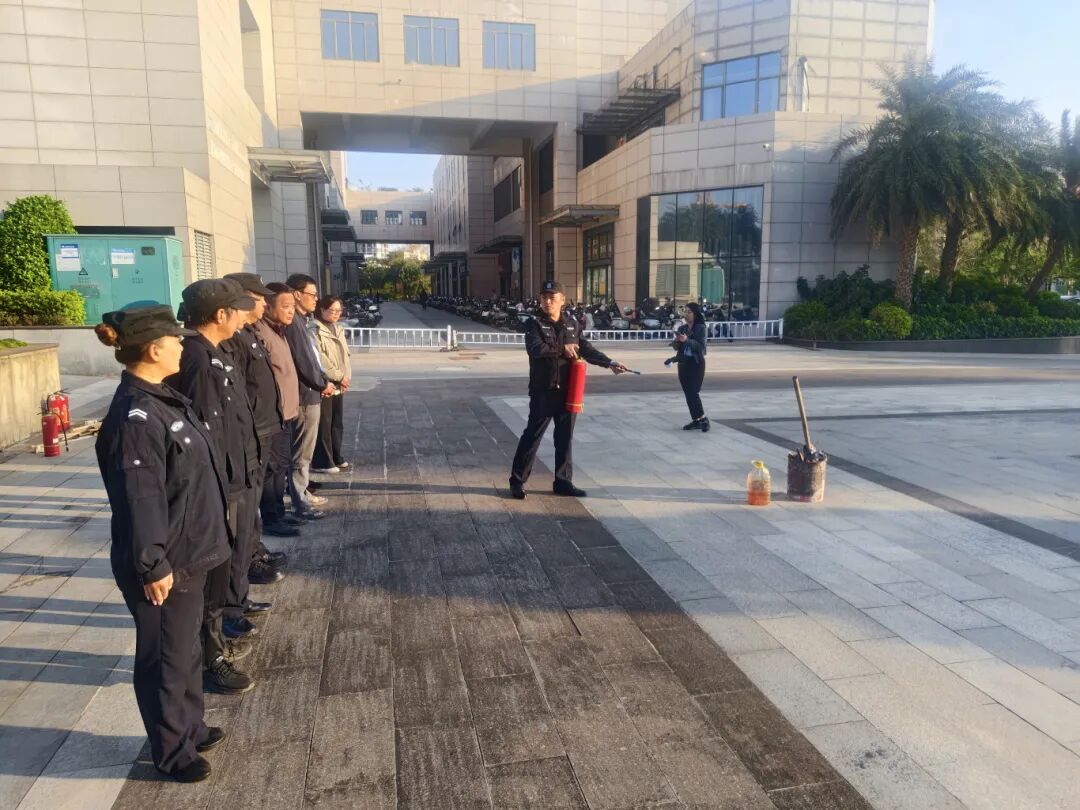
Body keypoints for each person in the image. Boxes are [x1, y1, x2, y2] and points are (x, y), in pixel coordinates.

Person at [94, 305, 230, 783]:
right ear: (154, 350)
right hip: (165, 559)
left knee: (184, 650)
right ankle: (173, 751)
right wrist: (152, 564)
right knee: (165, 660)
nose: (181, 347)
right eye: (175, 341)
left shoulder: (162, 398)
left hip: (188, 550)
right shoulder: (136, 416)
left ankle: (190, 726)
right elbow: (140, 497)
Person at [166, 278, 259, 695]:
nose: (242, 316)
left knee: (221, 572)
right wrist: (219, 490)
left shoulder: (216, 352)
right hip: (218, 485)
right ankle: (211, 657)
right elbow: (207, 434)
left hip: (232, 477)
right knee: (211, 576)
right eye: (237, 309)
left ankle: (214, 645)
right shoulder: (200, 360)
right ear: (221, 314)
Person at [509, 280, 629, 500]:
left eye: (552, 298)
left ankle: (563, 482)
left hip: (568, 391)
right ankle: (517, 481)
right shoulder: (534, 324)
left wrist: (609, 363)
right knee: (532, 436)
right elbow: (536, 349)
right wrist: (562, 349)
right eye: (544, 298)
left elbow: (585, 348)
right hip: (544, 391)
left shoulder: (572, 323)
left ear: (562, 300)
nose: (547, 302)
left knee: (564, 438)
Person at [222, 272, 288, 591]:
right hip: (251, 433)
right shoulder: (233, 339)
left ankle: (255, 550)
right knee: (245, 505)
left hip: (263, 427)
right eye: (259, 298)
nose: (264, 304)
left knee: (253, 501)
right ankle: (246, 562)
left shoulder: (248, 332)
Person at [253, 283, 304, 538]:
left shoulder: (279, 331)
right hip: (272, 415)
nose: (291, 311)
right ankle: (271, 518)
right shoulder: (260, 333)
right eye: (285, 306)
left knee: (281, 464)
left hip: (286, 412)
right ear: (268, 307)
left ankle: (279, 513)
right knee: (272, 468)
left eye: (293, 306)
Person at [284, 274, 335, 519]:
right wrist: (321, 383)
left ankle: (302, 491)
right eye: (312, 295)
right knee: (302, 452)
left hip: (311, 391)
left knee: (304, 450)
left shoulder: (301, 321)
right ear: (297, 294)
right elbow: (304, 361)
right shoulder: (293, 323)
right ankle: (299, 501)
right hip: (305, 396)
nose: (316, 299)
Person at [311, 295, 351, 473]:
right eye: (331, 310)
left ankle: (336, 455)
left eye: (338, 310)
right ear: (321, 309)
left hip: (339, 381)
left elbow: (345, 356)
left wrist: (345, 377)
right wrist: (338, 376)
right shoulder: (313, 329)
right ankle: (322, 461)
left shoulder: (338, 328)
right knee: (324, 422)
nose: (335, 313)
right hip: (325, 381)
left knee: (336, 421)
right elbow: (320, 358)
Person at [665, 301, 709, 432]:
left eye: (689, 312)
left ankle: (703, 419)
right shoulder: (682, 328)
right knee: (688, 394)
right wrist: (676, 342)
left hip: (696, 363)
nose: (686, 314)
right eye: (685, 312)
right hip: (683, 364)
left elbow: (701, 347)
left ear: (695, 314)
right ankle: (696, 420)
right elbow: (677, 348)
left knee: (693, 392)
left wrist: (687, 340)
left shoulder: (700, 328)